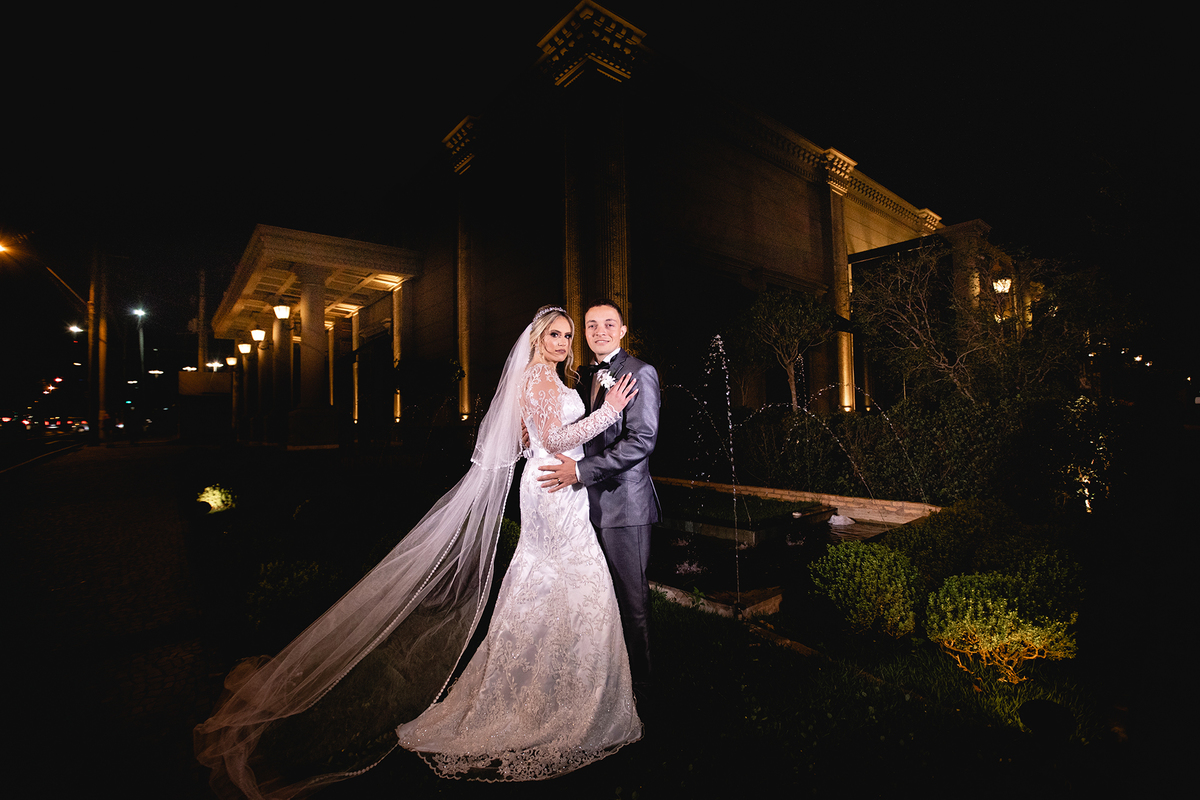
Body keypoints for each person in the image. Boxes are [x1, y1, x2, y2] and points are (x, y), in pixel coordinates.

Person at [195, 306, 641, 798]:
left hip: (554, 486)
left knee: (553, 578)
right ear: (536, 338)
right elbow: (554, 438)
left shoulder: (548, 379)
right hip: (554, 488)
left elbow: (528, 435)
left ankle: (558, 678)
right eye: (554, 334)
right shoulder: (537, 376)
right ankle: (560, 689)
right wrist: (607, 412)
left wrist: (541, 439)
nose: (562, 342)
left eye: (567, 335)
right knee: (571, 574)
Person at [536, 300, 660, 709]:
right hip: (583, 507)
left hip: (624, 506)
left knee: (632, 602)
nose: (599, 331)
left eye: (609, 324)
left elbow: (641, 441)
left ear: (622, 330)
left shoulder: (640, 372)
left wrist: (581, 471)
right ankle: (606, 681)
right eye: (591, 325)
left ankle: (643, 691)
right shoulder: (582, 376)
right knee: (598, 599)